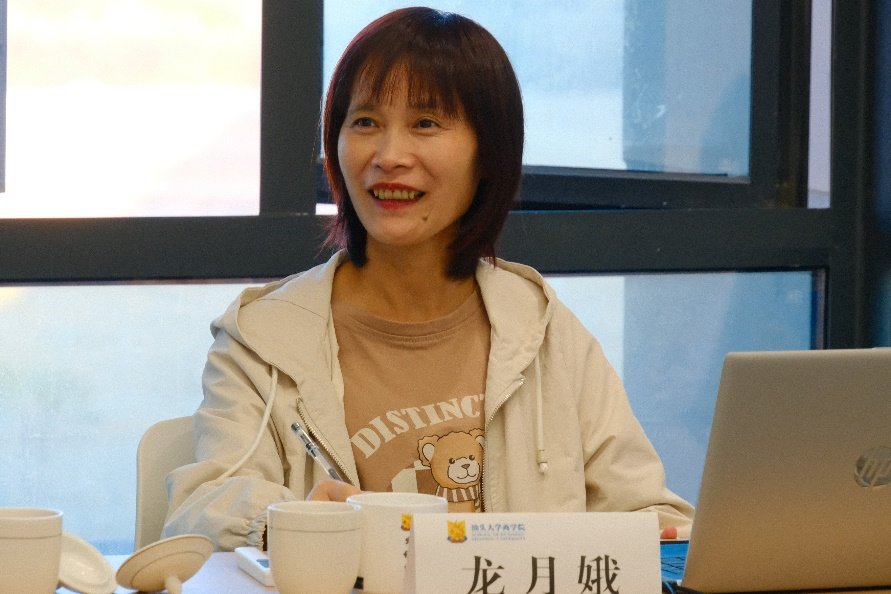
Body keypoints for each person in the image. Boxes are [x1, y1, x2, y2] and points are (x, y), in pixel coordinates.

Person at [163, 6, 694, 551]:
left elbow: (647, 512)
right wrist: (290, 521)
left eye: (425, 124)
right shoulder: (264, 339)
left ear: (488, 154)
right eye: (364, 122)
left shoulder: (542, 330)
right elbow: (202, 510)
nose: (389, 156)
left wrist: (677, 541)